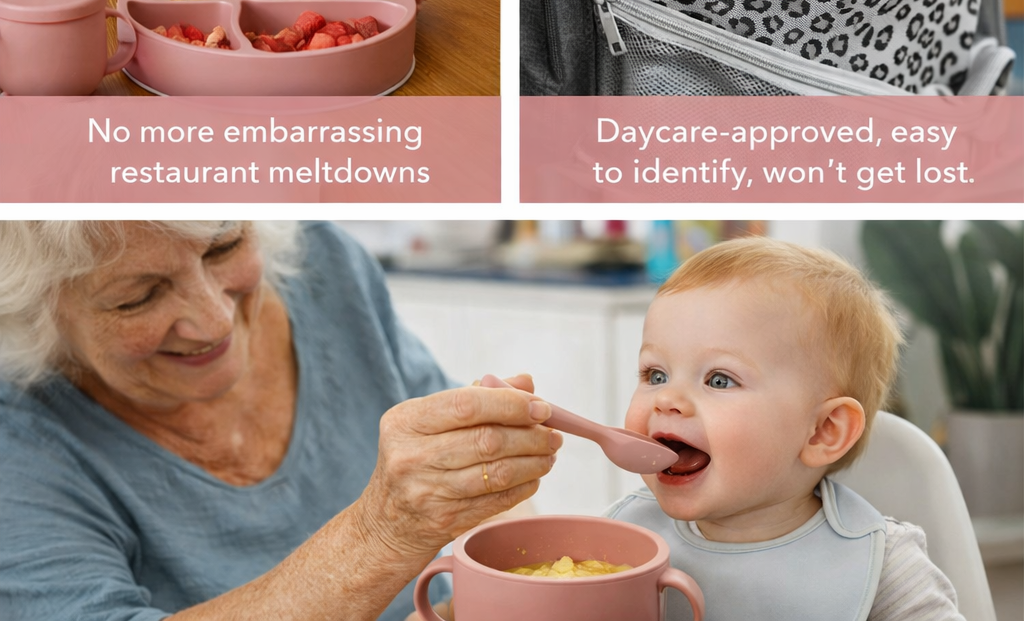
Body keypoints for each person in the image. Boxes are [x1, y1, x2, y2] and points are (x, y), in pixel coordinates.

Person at [0, 221, 560, 621]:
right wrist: (383, 531)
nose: (214, 321)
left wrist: (509, 593)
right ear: (32, 311)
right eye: (138, 298)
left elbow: (478, 486)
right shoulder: (19, 439)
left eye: (223, 247)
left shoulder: (323, 261)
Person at [610, 236, 965, 621]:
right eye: (656, 375)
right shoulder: (622, 539)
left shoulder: (884, 566)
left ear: (823, 431)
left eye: (719, 380)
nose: (667, 399)